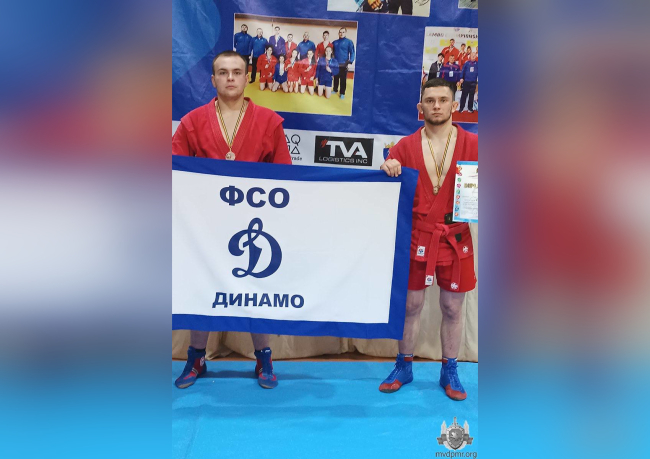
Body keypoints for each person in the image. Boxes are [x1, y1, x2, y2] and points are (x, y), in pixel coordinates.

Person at [172, 50, 292, 389]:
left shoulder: (269, 122)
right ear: (213, 79)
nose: (230, 78)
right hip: (204, 226)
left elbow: (286, 177)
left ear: (246, 78)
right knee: (201, 288)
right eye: (223, 72)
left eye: (236, 72)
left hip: (254, 224)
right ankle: (196, 357)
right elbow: (173, 170)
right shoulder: (192, 121)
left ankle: (264, 357)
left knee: (256, 289)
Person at [378, 78, 477, 401]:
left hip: (455, 235)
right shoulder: (404, 147)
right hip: (417, 234)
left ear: (454, 105)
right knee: (411, 305)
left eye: (443, 100)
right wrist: (388, 166)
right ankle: (403, 365)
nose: (436, 106)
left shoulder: (475, 144)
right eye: (430, 100)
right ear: (420, 107)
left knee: (452, 307)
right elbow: (387, 177)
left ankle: (450, 370)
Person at [332, 27, 356, 100]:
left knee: (343, 79)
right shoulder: (334, 42)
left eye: (343, 32)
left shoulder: (349, 42)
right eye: (340, 32)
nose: (341, 33)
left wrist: (350, 61)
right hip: (336, 63)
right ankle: (335, 89)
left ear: (345, 33)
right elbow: (331, 52)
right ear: (338, 33)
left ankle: (342, 93)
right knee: (336, 77)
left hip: (344, 63)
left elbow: (352, 52)